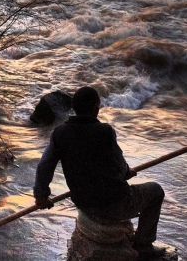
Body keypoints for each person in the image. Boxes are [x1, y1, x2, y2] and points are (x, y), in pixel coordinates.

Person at [33, 86, 168, 260]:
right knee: (156, 191)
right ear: (96, 106)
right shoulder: (105, 131)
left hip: (83, 202)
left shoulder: (60, 133)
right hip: (115, 204)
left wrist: (41, 196)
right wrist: (127, 171)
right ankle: (143, 246)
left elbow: (44, 166)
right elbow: (119, 167)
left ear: (74, 108)